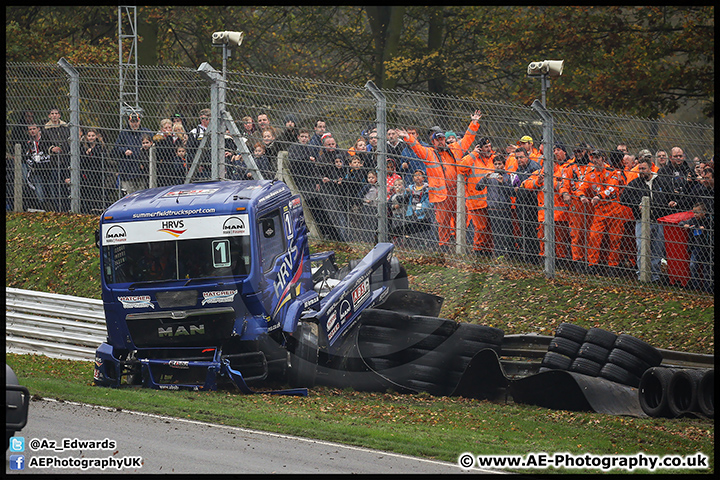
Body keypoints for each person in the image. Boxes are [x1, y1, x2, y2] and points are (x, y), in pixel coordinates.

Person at [396, 109, 482, 251]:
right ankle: (444, 246)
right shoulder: (429, 153)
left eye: (442, 138)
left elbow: (468, 138)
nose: (441, 141)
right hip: (442, 196)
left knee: (463, 218)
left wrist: (474, 123)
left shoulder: (454, 148)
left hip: (458, 192)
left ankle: (461, 243)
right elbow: (417, 148)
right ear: (433, 141)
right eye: (438, 139)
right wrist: (408, 137)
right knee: (443, 222)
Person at [576, 149, 626, 276]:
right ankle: (593, 264)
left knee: (615, 238)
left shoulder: (612, 172)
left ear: (603, 159)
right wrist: (582, 196)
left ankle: (613, 266)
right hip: (599, 210)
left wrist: (600, 196)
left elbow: (612, 188)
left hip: (613, 208)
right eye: (593, 157)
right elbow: (581, 187)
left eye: (598, 157)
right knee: (594, 236)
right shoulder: (590, 174)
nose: (595, 160)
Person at [619, 156, 665, 283]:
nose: (641, 171)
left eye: (644, 168)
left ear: (650, 168)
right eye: (639, 169)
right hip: (641, 220)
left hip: (658, 219)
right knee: (641, 248)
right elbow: (623, 198)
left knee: (657, 249)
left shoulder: (660, 181)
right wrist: (636, 204)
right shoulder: (635, 183)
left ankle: (655, 276)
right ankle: (642, 276)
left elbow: (667, 196)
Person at [560, 142, 593, 270]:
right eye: (576, 152)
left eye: (581, 152)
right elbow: (564, 184)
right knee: (576, 233)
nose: (578, 154)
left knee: (591, 233)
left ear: (587, 152)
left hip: (591, 203)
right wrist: (565, 193)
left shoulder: (592, 166)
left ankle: (591, 261)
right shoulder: (570, 167)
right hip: (576, 203)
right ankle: (578, 260)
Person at [458, 138, 494, 255]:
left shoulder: (493, 159)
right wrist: (474, 153)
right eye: (486, 147)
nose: (489, 149)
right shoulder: (472, 159)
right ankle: (478, 250)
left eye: (489, 146)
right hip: (477, 201)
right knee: (480, 228)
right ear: (479, 148)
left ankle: (488, 251)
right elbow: (461, 167)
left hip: (491, 201)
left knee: (490, 228)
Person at [478, 154, 517, 258]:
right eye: (495, 164)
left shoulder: (508, 176)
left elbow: (512, 193)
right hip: (493, 208)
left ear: (504, 165)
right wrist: (484, 179)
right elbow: (478, 187)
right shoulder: (490, 177)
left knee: (507, 231)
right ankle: (499, 254)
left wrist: (503, 182)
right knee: (496, 232)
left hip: (505, 208)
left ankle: (510, 253)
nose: (497, 166)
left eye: (499, 164)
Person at [511, 148, 543, 263]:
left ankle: (535, 257)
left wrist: (522, 190)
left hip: (532, 204)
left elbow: (537, 186)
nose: (519, 160)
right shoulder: (519, 168)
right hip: (522, 204)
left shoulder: (534, 167)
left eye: (521, 157)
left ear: (527, 156)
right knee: (524, 230)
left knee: (533, 231)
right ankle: (528, 256)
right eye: (517, 158)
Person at [112, 112, 151, 196]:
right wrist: (124, 150)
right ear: (129, 122)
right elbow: (115, 149)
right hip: (127, 170)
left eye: (136, 121)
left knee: (142, 194)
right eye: (132, 122)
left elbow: (153, 144)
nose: (134, 124)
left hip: (142, 171)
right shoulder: (124, 133)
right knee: (129, 195)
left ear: (139, 121)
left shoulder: (146, 132)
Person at [678, 202, 713, 292]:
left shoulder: (709, 220)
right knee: (693, 265)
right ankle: (695, 285)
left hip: (707, 248)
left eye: (697, 212)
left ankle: (707, 287)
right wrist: (685, 225)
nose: (695, 214)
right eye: (694, 212)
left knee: (707, 269)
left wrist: (705, 229)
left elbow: (710, 227)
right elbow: (681, 223)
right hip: (696, 247)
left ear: (704, 212)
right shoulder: (693, 220)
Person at [656, 146, 694, 215]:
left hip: (686, 207)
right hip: (669, 209)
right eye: (676, 156)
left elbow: (693, 189)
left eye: (680, 156)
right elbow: (661, 189)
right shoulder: (663, 171)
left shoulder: (688, 170)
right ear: (670, 158)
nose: (678, 158)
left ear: (683, 157)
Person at [404, 169, 436, 249]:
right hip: (412, 211)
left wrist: (418, 211)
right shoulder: (410, 188)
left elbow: (429, 202)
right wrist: (407, 192)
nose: (417, 177)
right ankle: (414, 244)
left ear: (423, 178)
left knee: (425, 230)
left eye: (419, 175)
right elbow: (406, 199)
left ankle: (429, 245)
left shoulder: (427, 189)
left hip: (424, 213)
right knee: (413, 229)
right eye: (415, 175)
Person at [78, 127, 108, 213]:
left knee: (98, 191)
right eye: (89, 136)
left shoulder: (100, 146)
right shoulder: (83, 146)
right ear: (86, 137)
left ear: (96, 136)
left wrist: (93, 151)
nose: (91, 137)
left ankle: (99, 208)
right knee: (87, 191)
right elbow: (82, 160)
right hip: (87, 173)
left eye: (93, 136)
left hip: (98, 173)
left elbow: (101, 158)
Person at [388, 177, 410, 245]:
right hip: (395, 215)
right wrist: (394, 207)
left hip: (403, 214)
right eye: (396, 185)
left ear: (403, 186)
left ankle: (403, 241)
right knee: (395, 228)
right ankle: (395, 241)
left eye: (399, 185)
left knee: (403, 228)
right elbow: (388, 205)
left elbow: (405, 201)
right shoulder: (393, 196)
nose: (397, 186)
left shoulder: (404, 195)